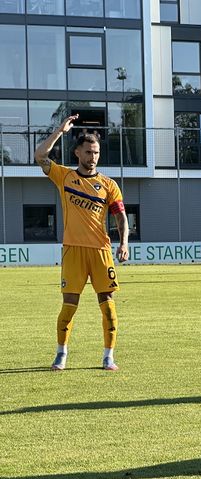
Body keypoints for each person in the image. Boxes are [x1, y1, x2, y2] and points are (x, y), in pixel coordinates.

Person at [34, 114, 129, 372]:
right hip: (73, 250)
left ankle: (108, 356)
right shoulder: (64, 176)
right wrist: (59, 131)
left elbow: (121, 216)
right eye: (88, 152)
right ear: (77, 153)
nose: (93, 157)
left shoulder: (109, 185)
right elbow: (40, 156)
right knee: (69, 306)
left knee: (108, 306)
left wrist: (124, 243)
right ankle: (61, 353)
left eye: (96, 152)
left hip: (101, 251)